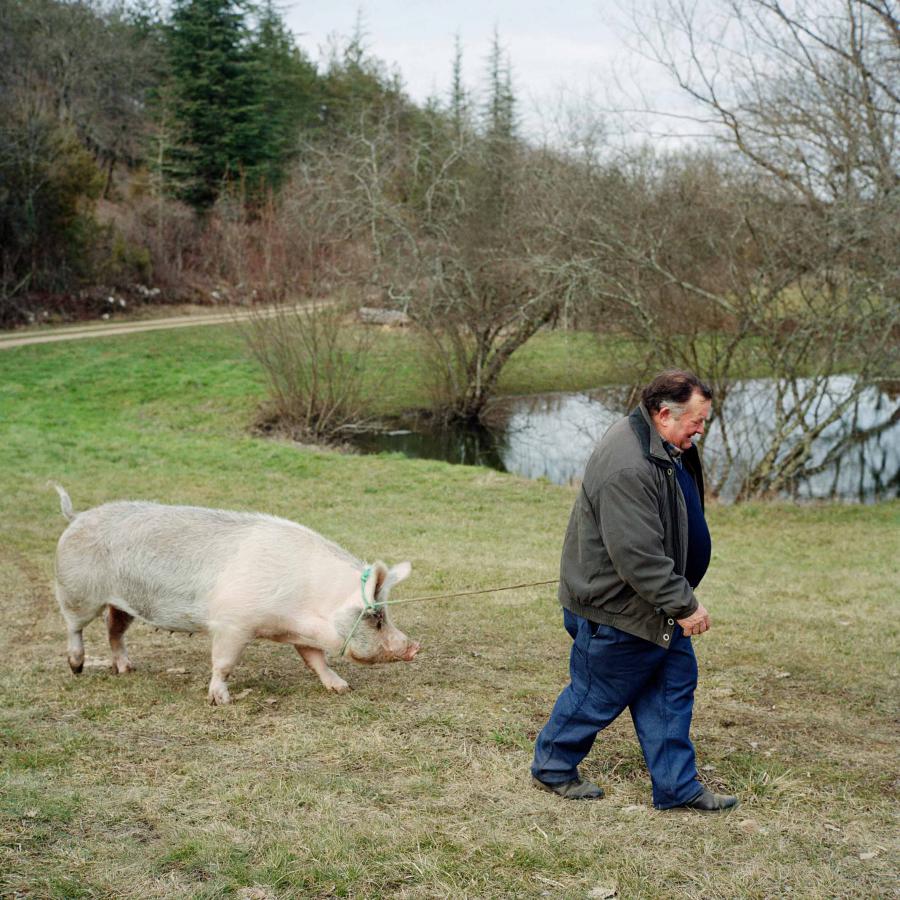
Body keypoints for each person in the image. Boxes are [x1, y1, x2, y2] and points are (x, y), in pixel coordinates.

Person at [530, 369, 738, 812]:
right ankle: (552, 765)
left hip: (653, 605)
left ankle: (677, 787)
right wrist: (684, 604)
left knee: (671, 686)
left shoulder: (662, 444)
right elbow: (637, 555)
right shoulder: (628, 464)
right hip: (617, 610)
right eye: (696, 421)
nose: (701, 430)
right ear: (664, 414)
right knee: (597, 695)